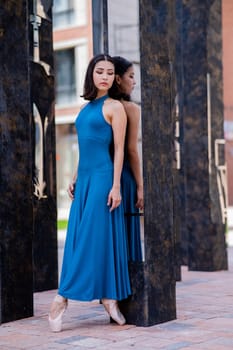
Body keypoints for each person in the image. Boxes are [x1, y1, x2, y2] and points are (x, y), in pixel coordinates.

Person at [48, 54, 131, 332]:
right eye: (100, 71)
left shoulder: (114, 107)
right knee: (79, 237)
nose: (105, 76)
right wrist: (73, 177)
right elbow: (86, 148)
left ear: (114, 78)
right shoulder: (85, 109)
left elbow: (118, 149)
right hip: (84, 180)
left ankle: (64, 297)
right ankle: (107, 297)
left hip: (104, 178)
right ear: (91, 75)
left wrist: (116, 185)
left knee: (90, 238)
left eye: (110, 72)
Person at [110, 56, 144, 262]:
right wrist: (140, 186)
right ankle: (130, 282)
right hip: (123, 178)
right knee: (126, 229)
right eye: (131, 76)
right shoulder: (131, 109)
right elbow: (131, 150)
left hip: (103, 175)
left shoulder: (100, 106)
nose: (134, 82)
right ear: (118, 79)